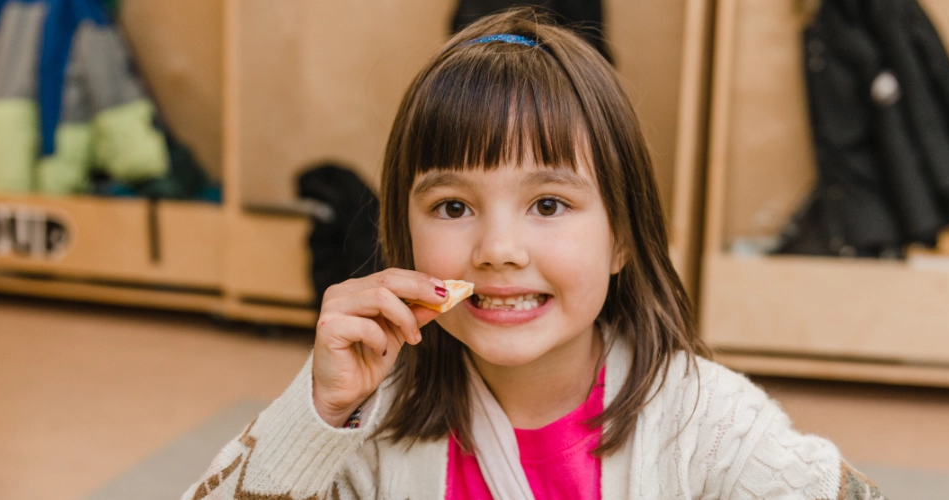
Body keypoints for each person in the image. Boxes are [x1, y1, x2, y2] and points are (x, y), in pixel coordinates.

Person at [183, 7, 884, 500]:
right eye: (453, 208)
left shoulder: (704, 418)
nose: (497, 250)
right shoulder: (370, 422)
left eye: (549, 205)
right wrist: (316, 413)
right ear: (403, 239)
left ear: (623, 239)